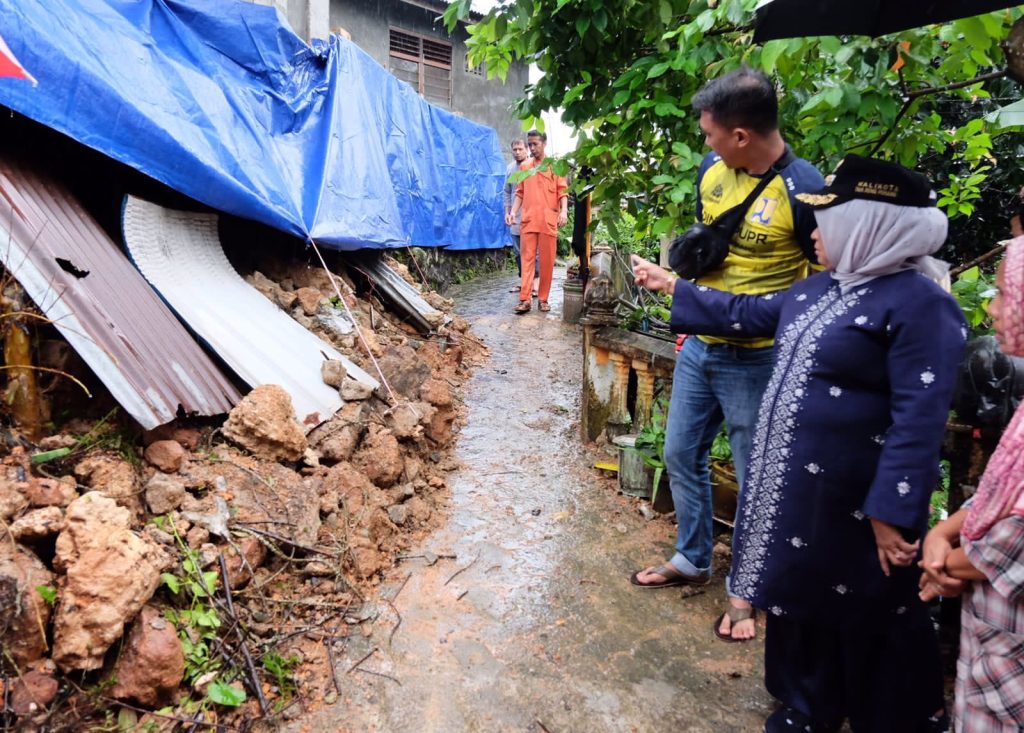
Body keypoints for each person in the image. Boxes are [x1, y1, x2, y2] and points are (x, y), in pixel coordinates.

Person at [633, 155, 965, 732]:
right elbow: (743, 312)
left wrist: (892, 509)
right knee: (796, 594)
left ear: (867, 225)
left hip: (859, 506)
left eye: (827, 219)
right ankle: (805, 706)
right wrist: (674, 286)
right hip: (797, 496)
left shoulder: (921, 305)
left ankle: (883, 714)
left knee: (864, 608)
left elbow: (921, 416)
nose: (814, 231)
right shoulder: (817, 292)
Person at [629, 67, 824, 645]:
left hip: (758, 359)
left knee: (754, 476)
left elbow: (811, 296)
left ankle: (747, 588)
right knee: (679, 453)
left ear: (742, 135)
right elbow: (710, 246)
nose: (706, 143)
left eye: (712, 133)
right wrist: (685, 281)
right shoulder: (713, 172)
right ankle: (693, 556)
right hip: (702, 349)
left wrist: (679, 292)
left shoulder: (805, 190)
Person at [919, 236, 1024, 732]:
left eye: (1005, 294)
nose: (992, 305)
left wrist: (944, 560)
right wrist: (941, 536)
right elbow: (996, 492)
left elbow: (1013, 542)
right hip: (991, 630)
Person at [506, 130, 568, 314]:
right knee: (526, 260)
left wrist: (563, 211)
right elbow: (520, 193)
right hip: (529, 220)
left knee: (548, 262)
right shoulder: (525, 167)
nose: (532, 148)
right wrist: (512, 212)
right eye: (530, 144)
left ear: (544, 143)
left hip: (548, 220)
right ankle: (525, 299)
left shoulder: (556, 166)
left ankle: (543, 299)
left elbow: (562, 191)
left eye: (535, 144)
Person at [503, 138, 537, 288]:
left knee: (533, 252)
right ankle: (524, 282)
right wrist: (507, 212)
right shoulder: (510, 169)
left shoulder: (533, 167)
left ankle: (535, 283)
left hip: (532, 215)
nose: (517, 152)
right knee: (518, 253)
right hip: (515, 217)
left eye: (520, 149)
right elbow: (507, 192)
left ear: (527, 150)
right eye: (514, 150)